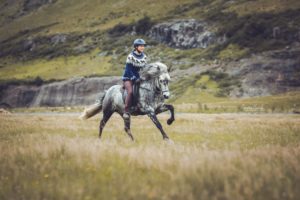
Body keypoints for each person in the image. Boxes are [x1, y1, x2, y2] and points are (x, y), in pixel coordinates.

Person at [122, 38, 147, 119]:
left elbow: (144, 68)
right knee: (130, 92)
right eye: (141, 46)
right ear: (136, 47)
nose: (142, 47)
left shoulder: (144, 57)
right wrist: (134, 78)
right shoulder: (130, 56)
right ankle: (126, 110)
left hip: (139, 78)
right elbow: (128, 70)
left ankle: (141, 105)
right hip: (128, 78)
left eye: (143, 46)